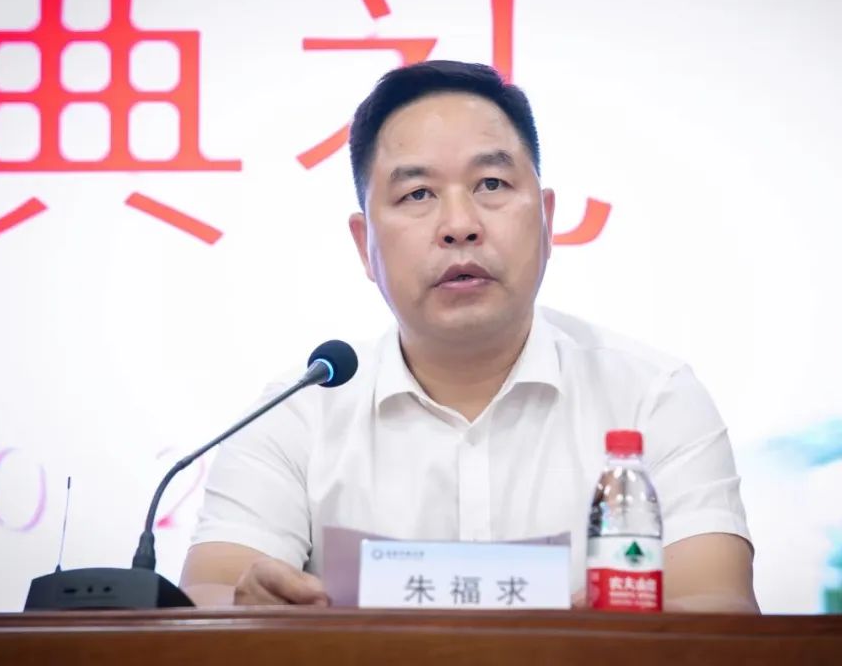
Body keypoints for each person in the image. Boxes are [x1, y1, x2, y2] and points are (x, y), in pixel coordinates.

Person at [180, 60, 758, 612]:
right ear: (364, 244)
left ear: (547, 220)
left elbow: (717, 608)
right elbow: (210, 593)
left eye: (491, 183)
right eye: (417, 194)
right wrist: (251, 606)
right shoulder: (297, 414)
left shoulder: (652, 397)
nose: (460, 226)